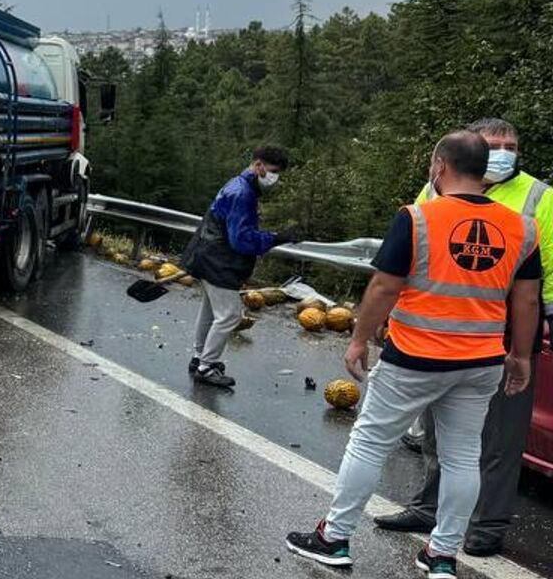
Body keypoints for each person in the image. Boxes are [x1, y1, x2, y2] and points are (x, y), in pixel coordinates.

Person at [286, 130, 539, 578]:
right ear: (483, 171)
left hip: (416, 355)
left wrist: (359, 338)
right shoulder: (522, 227)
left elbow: (385, 286)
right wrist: (520, 355)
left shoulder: (418, 218)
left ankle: (335, 538)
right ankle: (440, 555)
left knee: (370, 442)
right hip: (481, 360)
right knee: (464, 457)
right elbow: (527, 301)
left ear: (439, 166)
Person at [374, 118, 553, 557]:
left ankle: (487, 526)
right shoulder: (438, 185)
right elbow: (416, 244)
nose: (502, 153)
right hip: (442, 328)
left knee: (501, 438)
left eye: (511, 145)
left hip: (509, 327)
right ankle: (429, 507)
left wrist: (532, 332)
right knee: (440, 430)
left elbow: (544, 272)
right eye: (493, 145)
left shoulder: (540, 198)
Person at [179, 146, 301, 388]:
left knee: (211, 312)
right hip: (219, 261)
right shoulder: (243, 194)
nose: (274, 178)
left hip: (206, 254)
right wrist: (276, 237)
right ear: (258, 166)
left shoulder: (237, 185)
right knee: (229, 316)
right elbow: (241, 239)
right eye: (273, 171)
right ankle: (207, 366)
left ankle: (199, 358)